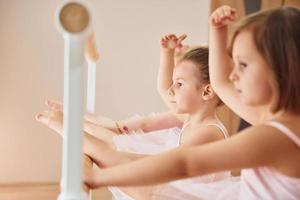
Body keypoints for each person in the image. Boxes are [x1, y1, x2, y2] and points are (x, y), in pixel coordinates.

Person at [81, 6, 300, 200]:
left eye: (243, 65)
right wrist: (217, 30)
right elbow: (221, 82)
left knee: (153, 191)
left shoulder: (275, 136)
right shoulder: (273, 120)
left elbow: (185, 163)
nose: (234, 76)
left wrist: (100, 178)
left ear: (282, 69)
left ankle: (75, 133)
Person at [37, 35, 233, 199]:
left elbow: (170, 166)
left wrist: (121, 158)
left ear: (207, 92)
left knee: (121, 156)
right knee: (117, 147)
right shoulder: (190, 118)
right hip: (174, 179)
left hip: (188, 193)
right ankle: (74, 126)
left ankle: (71, 131)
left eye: (179, 84)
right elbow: (164, 88)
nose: (172, 90)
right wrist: (167, 53)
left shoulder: (209, 133)